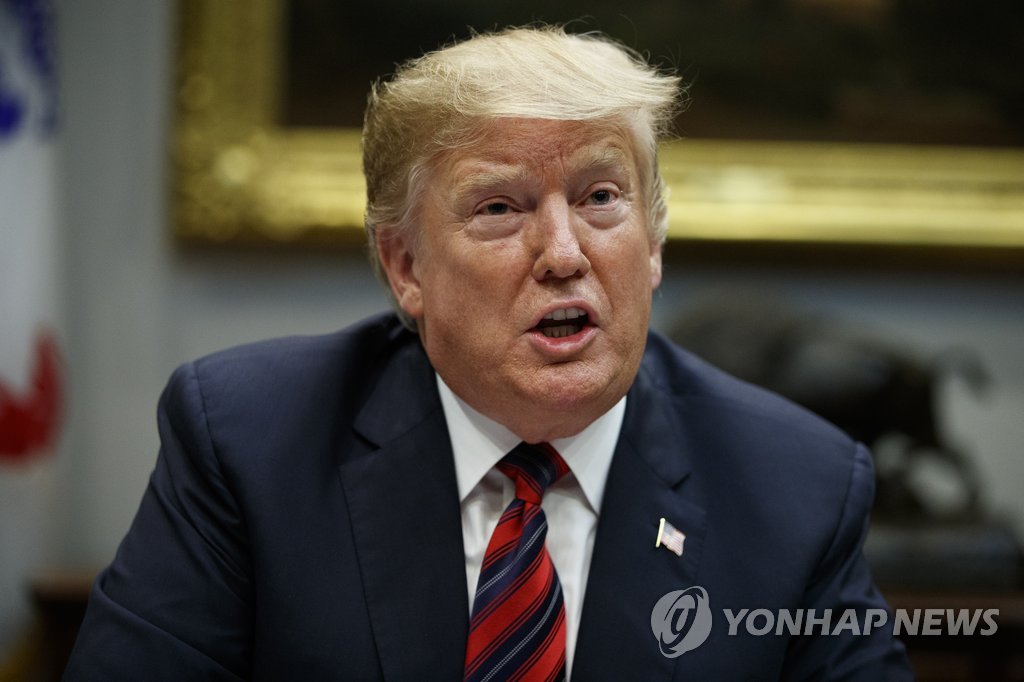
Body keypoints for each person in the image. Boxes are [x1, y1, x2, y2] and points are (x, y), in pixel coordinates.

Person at [64, 26, 913, 681]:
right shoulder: (251, 445)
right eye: (501, 208)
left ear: (653, 243)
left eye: (601, 197)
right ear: (406, 266)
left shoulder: (795, 488)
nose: (564, 253)